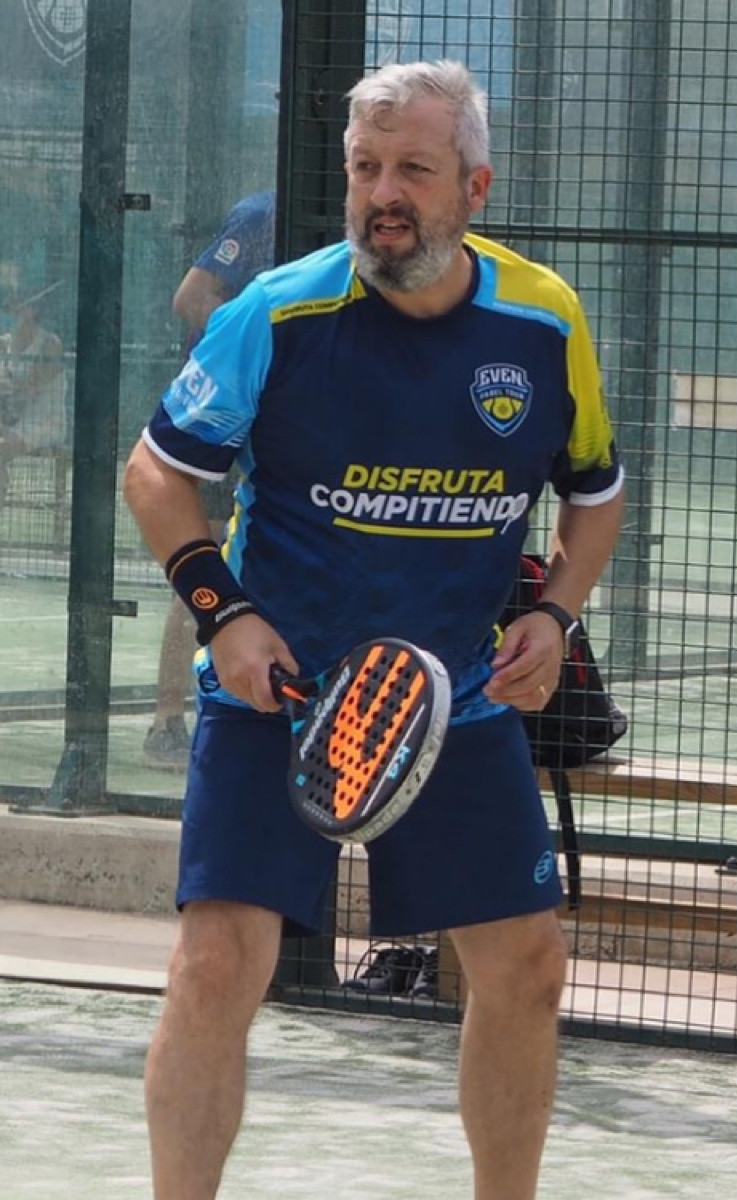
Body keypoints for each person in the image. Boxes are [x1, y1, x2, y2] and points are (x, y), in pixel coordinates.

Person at [122, 59, 624, 1200]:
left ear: (475, 188)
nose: (383, 194)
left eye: (413, 170)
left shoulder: (544, 320)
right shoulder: (276, 313)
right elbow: (155, 471)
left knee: (527, 964)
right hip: (276, 698)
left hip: (458, 701)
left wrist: (554, 617)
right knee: (217, 963)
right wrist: (226, 618)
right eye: (365, 168)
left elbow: (595, 495)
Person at [143, 191, 276, 769]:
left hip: (283, 429)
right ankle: (167, 722)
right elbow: (191, 297)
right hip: (227, 419)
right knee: (206, 562)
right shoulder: (261, 213)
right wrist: (254, 346)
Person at [0, 277, 68, 506]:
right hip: (15, 418)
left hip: (45, 421)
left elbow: (31, 384)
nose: (13, 306)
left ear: (34, 310)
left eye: (20, 302)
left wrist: (9, 386)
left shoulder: (51, 344)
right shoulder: (5, 342)